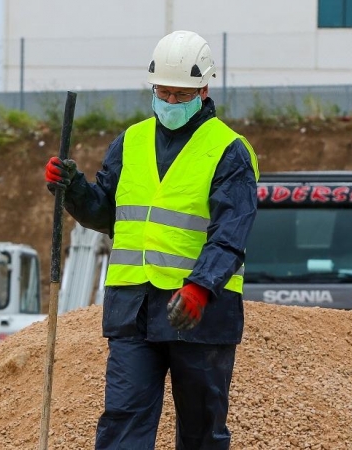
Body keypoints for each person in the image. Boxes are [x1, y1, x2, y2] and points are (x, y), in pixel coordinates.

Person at [44, 30, 259, 450]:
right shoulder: (131, 141)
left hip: (198, 313)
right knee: (122, 423)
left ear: (204, 89)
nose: (171, 103)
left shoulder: (229, 151)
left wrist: (200, 286)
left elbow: (231, 232)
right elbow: (107, 213)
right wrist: (72, 189)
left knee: (201, 432)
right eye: (164, 92)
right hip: (133, 310)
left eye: (182, 95)